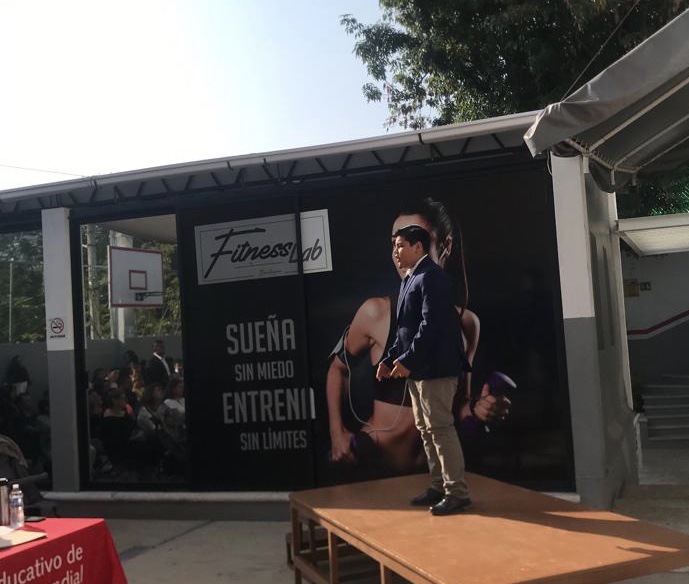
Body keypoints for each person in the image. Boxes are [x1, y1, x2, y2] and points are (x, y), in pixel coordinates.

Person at [326, 198, 509, 478]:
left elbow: (458, 407)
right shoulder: (376, 313)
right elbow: (337, 370)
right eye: (395, 243)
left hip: (432, 475)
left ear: (446, 246)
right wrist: (337, 433)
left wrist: (482, 410)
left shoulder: (467, 324)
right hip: (376, 470)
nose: (402, 253)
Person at [376, 224, 470, 516]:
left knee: (440, 428)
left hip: (437, 369)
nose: (395, 251)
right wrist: (389, 359)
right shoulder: (409, 278)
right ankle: (438, 485)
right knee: (426, 430)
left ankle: (456, 492)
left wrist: (408, 359)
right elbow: (404, 330)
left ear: (418, 246)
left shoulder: (432, 276)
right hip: (419, 370)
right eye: (394, 245)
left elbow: (432, 325)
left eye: (400, 245)